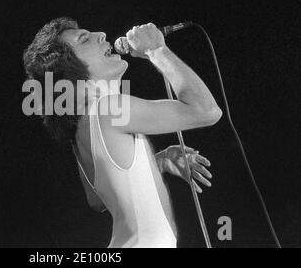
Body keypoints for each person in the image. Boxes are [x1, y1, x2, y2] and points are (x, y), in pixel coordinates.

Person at [22, 17, 222, 248]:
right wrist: (156, 50)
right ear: (70, 72)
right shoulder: (108, 110)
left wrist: (158, 163)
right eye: (85, 39)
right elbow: (206, 111)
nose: (101, 34)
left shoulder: (81, 130)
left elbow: (97, 200)